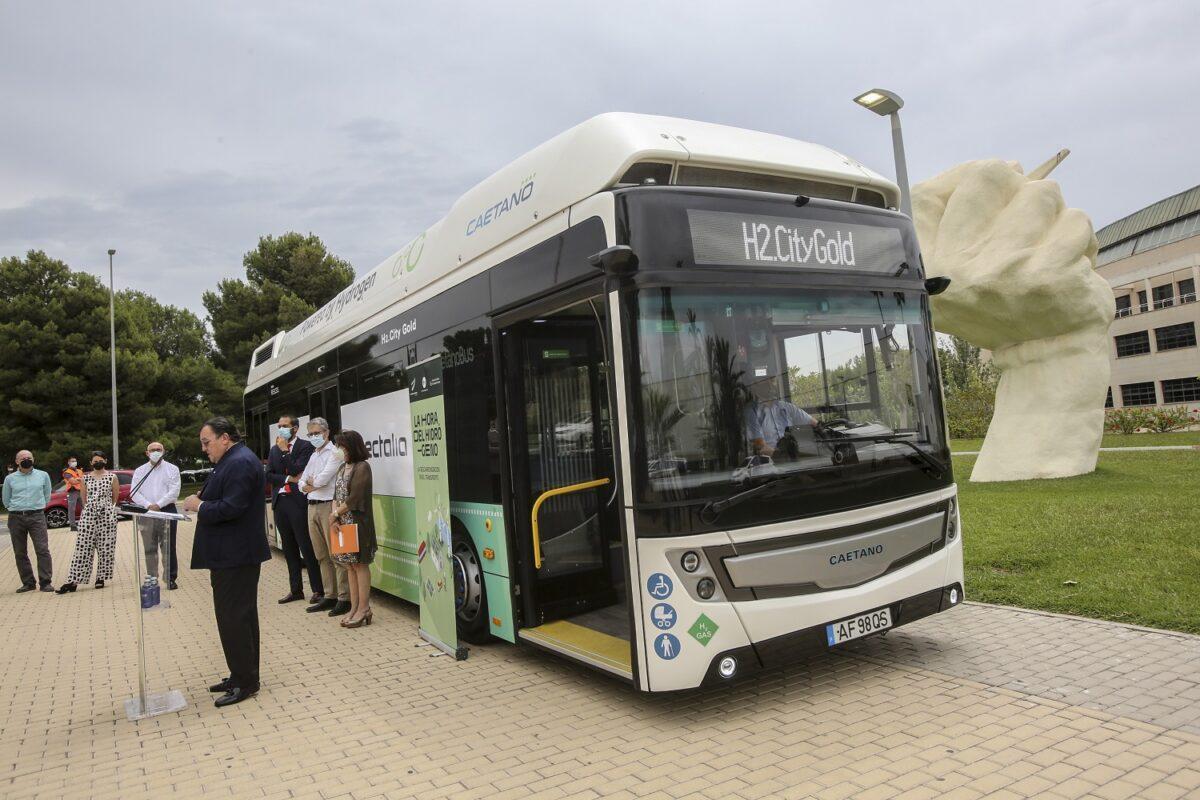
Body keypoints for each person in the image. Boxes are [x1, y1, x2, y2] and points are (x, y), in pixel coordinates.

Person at [181, 417, 270, 708]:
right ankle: (241, 673)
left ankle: (246, 682)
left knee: (235, 618)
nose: (205, 449)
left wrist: (200, 506)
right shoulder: (232, 459)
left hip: (236, 554)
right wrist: (202, 497)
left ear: (225, 438)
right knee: (237, 617)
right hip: (230, 554)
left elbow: (233, 507)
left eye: (207, 443)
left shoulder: (240, 462)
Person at [264, 415, 324, 604]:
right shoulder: (274, 449)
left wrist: (285, 452)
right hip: (280, 503)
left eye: (285, 426)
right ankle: (296, 589)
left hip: (297, 503)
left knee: (306, 547)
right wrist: (289, 478)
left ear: (295, 428)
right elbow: (269, 475)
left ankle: (318, 590)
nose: (281, 429)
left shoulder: (305, 447)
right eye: (279, 426)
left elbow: (299, 468)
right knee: (288, 549)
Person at [298, 417, 349, 618]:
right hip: (311, 507)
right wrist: (309, 484)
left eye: (316, 433)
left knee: (336, 554)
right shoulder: (314, 454)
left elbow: (322, 479)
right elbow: (301, 482)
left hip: (329, 505)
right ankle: (330, 595)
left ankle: (345, 598)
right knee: (321, 555)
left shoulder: (334, 453)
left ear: (326, 433)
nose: (313, 437)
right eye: (310, 434)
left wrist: (311, 483)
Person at [329, 430, 377, 628]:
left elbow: (355, 498)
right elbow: (335, 495)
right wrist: (335, 517)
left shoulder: (362, 467)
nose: (339, 450)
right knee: (349, 565)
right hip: (342, 524)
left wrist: (335, 514)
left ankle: (364, 608)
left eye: (342, 446)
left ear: (352, 447)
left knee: (360, 564)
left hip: (358, 524)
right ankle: (354, 607)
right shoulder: (342, 468)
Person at [57, 451, 119, 593]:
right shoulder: (85, 478)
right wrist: (90, 509)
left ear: (105, 460)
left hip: (107, 516)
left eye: (100, 460)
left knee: (106, 547)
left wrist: (107, 509)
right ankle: (73, 580)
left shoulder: (112, 477)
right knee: (82, 547)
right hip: (88, 515)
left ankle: (101, 577)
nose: (98, 462)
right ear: (91, 463)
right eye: (95, 460)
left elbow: (115, 497)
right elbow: (83, 498)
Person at [131, 442, 182, 589]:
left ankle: (170, 578)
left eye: (158, 450)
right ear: (147, 453)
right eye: (152, 450)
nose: (155, 452)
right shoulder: (140, 471)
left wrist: (158, 504)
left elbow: (174, 491)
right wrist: (148, 505)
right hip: (146, 512)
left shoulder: (172, 469)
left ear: (164, 451)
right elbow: (134, 492)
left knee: (168, 546)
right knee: (149, 547)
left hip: (167, 510)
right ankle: (152, 578)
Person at [2, 449, 54, 592]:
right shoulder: (10, 479)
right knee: (20, 552)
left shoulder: (43, 476)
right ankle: (28, 582)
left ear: (33, 459)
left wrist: (38, 506)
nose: (26, 459)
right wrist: (14, 508)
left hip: (37, 516)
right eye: (23, 458)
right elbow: (6, 499)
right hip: (16, 517)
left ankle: (45, 582)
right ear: (17, 461)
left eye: (29, 457)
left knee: (42, 549)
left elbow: (47, 495)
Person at [743, 377, 820, 457]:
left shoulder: (786, 407)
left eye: (772, 380)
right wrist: (789, 457)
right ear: (754, 386)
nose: (770, 384)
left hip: (795, 460)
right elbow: (761, 448)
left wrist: (821, 431)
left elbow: (815, 424)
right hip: (771, 464)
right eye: (765, 381)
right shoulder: (752, 412)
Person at [63, 456, 83, 532]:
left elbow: (82, 480)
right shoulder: (67, 472)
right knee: (72, 509)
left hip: (81, 491)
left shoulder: (80, 471)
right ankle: (73, 526)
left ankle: (84, 523)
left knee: (85, 508)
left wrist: (78, 480)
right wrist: (81, 480)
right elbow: (73, 482)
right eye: (72, 461)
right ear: (68, 463)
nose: (74, 462)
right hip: (72, 491)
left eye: (75, 461)